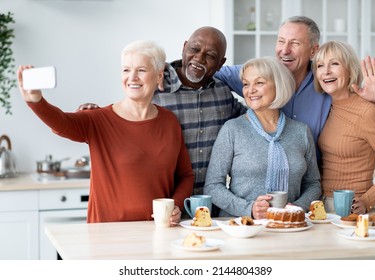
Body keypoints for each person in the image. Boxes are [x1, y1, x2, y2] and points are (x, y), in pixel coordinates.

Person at [17, 40, 194, 223]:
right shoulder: (98, 119)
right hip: (105, 234)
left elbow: (185, 175)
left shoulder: (169, 122)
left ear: (158, 77)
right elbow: (61, 123)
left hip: (155, 230)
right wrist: (36, 101)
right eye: (126, 70)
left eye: (141, 70)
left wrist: (176, 205)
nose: (132, 77)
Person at [78, 27, 247, 201]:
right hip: (162, 205)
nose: (199, 58)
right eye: (194, 49)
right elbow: (124, 117)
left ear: (221, 63)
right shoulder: (156, 84)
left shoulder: (223, 92)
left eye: (210, 56)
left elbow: (255, 120)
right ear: (184, 47)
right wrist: (96, 116)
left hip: (209, 208)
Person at [215, 16, 375, 163]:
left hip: (317, 185)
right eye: (281, 41)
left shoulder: (327, 80)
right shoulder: (259, 76)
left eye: (295, 43)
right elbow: (211, 71)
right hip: (265, 184)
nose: (285, 50)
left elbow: (367, 117)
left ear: (313, 51)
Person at [204, 57, 321, 219]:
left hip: (289, 227)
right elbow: (212, 187)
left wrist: (297, 208)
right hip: (242, 228)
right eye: (246, 84)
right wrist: (249, 208)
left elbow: (313, 184)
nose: (250, 90)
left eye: (259, 83)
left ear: (278, 85)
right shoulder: (232, 130)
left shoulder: (301, 132)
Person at [312, 40, 375, 214]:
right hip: (322, 206)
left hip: (354, 207)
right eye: (320, 65)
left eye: (334, 63)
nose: (326, 71)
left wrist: (366, 201)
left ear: (350, 70)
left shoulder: (367, 112)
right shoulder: (326, 107)